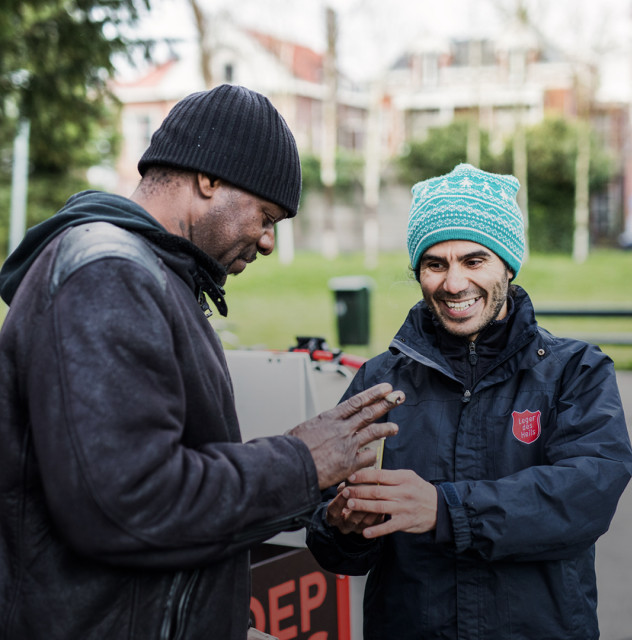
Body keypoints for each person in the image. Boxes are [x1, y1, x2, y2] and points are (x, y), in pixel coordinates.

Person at [0, 84, 403, 640]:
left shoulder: (157, 277)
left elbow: (171, 477)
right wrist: (301, 462)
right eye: (266, 216)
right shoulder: (107, 275)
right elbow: (125, 507)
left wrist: (314, 486)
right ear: (208, 178)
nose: (266, 242)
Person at [306, 163, 632, 640]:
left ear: (508, 264)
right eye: (435, 264)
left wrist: (445, 510)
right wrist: (344, 526)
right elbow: (330, 538)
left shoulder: (575, 371)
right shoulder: (378, 381)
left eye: (474, 260)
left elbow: (585, 498)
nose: (454, 283)